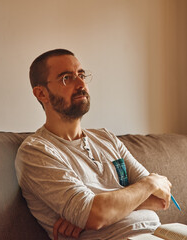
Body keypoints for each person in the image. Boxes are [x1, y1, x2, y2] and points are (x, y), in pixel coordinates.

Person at [15, 49, 172, 240]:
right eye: (67, 78)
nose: (81, 84)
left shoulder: (106, 138)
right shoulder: (36, 151)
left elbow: (161, 198)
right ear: (41, 94)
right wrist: (148, 183)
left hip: (159, 234)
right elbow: (95, 216)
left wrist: (103, 207)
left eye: (81, 75)